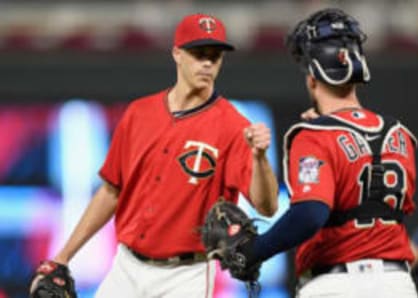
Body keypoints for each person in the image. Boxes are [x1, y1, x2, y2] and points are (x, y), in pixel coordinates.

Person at [31, 13, 278, 298]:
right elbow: (111, 191)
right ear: (177, 54)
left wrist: (260, 158)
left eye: (215, 56)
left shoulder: (233, 127)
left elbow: (266, 206)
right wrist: (62, 257)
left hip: (187, 275)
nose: (208, 63)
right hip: (127, 266)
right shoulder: (139, 113)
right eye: (199, 54)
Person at [227, 8, 418, 297]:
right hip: (397, 283)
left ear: (311, 79)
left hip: (338, 283)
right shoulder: (400, 135)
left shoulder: (313, 136)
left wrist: (255, 250)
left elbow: (310, 214)